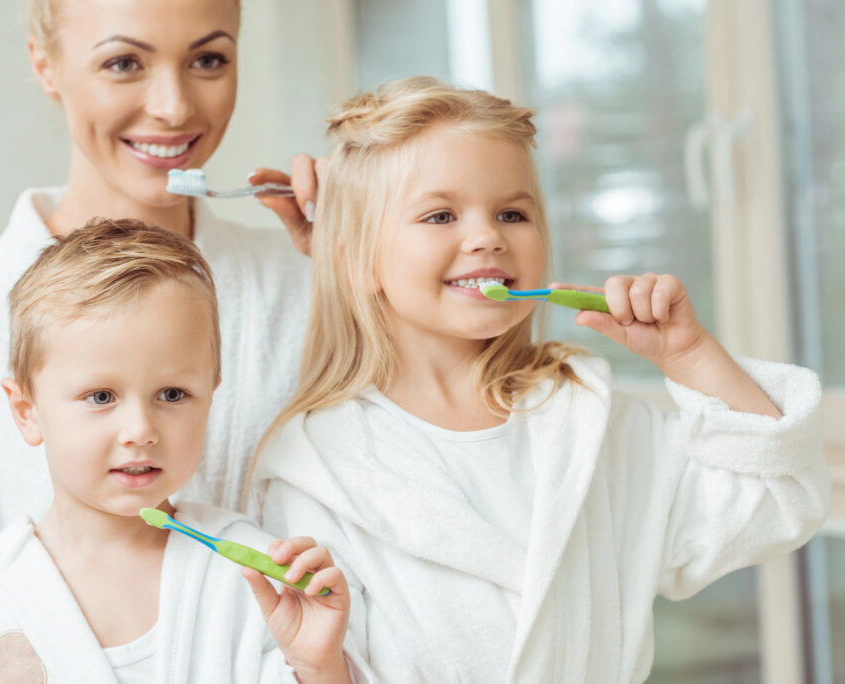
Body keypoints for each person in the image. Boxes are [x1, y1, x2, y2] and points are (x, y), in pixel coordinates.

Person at [250, 76, 831, 683]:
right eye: (440, 214)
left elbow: (773, 505)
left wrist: (690, 357)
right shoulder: (316, 467)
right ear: (352, 258)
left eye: (512, 212)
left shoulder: (588, 418)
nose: (487, 236)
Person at [0, 0, 321, 680]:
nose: (172, 106)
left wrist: (373, 264)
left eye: (208, 59)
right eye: (124, 62)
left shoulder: (304, 287)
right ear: (45, 64)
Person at [0, 219, 370, 683]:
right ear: (27, 410)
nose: (140, 431)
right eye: (101, 397)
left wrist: (319, 668)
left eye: (172, 395)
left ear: (211, 395)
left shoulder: (258, 581)